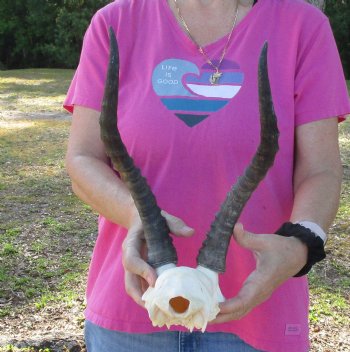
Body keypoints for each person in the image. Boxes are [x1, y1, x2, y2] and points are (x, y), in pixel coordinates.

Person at [64, 0, 350, 351]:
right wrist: (137, 216)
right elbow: (82, 159)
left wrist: (300, 243)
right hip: (136, 310)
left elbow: (319, 169)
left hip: (258, 312)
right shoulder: (116, 22)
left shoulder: (302, 27)